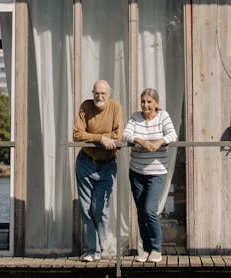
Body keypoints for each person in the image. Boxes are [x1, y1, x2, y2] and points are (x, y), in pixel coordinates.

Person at [123, 88, 177, 264]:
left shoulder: (163, 116)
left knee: (149, 210)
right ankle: (146, 249)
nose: (145, 105)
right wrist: (141, 141)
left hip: (157, 172)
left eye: (149, 102)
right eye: (143, 101)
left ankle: (156, 249)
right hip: (136, 171)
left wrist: (158, 142)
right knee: (140, 212)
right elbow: (126, 134)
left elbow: (172, 135)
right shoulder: (135, 117)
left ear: (156, 103)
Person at [72, 79, 123, 262]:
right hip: (85, 162)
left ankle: (99, 248)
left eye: (103, 94)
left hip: (107, 164)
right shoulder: (86, 106)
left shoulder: (115, 107)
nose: (99, 97)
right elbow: (77, 134)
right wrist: (101, 138)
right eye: (96, 93)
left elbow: (117, 136)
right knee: (86, 208)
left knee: (100, 208)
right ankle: (92, 249)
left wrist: (97, 138)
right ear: (92, 92)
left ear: (109, 95)